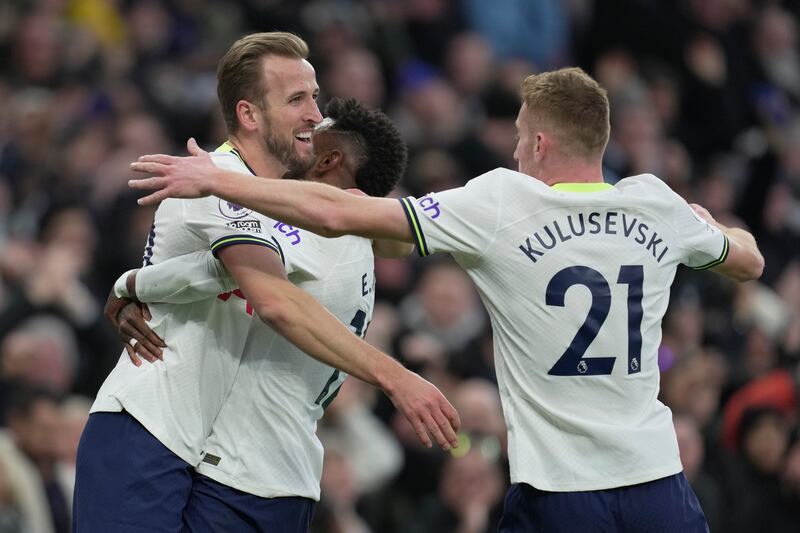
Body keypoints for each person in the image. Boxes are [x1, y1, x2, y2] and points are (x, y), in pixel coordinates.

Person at [130, 66, 765, 532]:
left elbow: (334, 212)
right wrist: (708, 224)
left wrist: (216, 180)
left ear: (539, 144)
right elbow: (749, 259)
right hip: (659, 482)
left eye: (520, 138)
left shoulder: (502, 202)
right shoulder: (655, 203)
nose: (515, 151)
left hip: (562, 491)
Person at [75, 33, 458, 533]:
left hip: (221, 455)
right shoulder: (212, 178)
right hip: (148, 428)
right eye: (297, 99)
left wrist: (135, 284)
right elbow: (274, 299)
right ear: (250, 115)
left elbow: (392, 241)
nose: (315, 114)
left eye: (315, 96)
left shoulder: (297, 205)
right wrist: (396, 377)